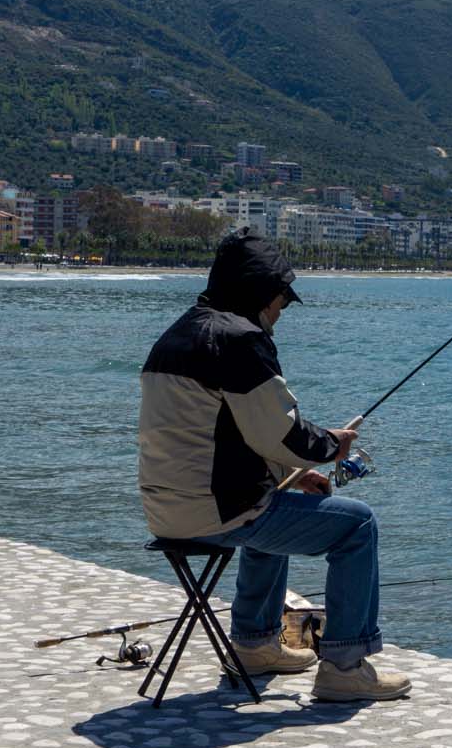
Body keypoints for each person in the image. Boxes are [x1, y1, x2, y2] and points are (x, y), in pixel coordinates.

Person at [137, 230, 410, 701]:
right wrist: (331, 446)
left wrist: (293, 470)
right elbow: (282, 433)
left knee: (272, 500)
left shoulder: (176, 335)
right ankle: (344, 666)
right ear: (263, 294)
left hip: (167, 510)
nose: (279, 317)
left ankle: (254, 646)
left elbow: (219, 434)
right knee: (358, 525)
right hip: (216, 512)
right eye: (280, 305)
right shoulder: (239, 341)